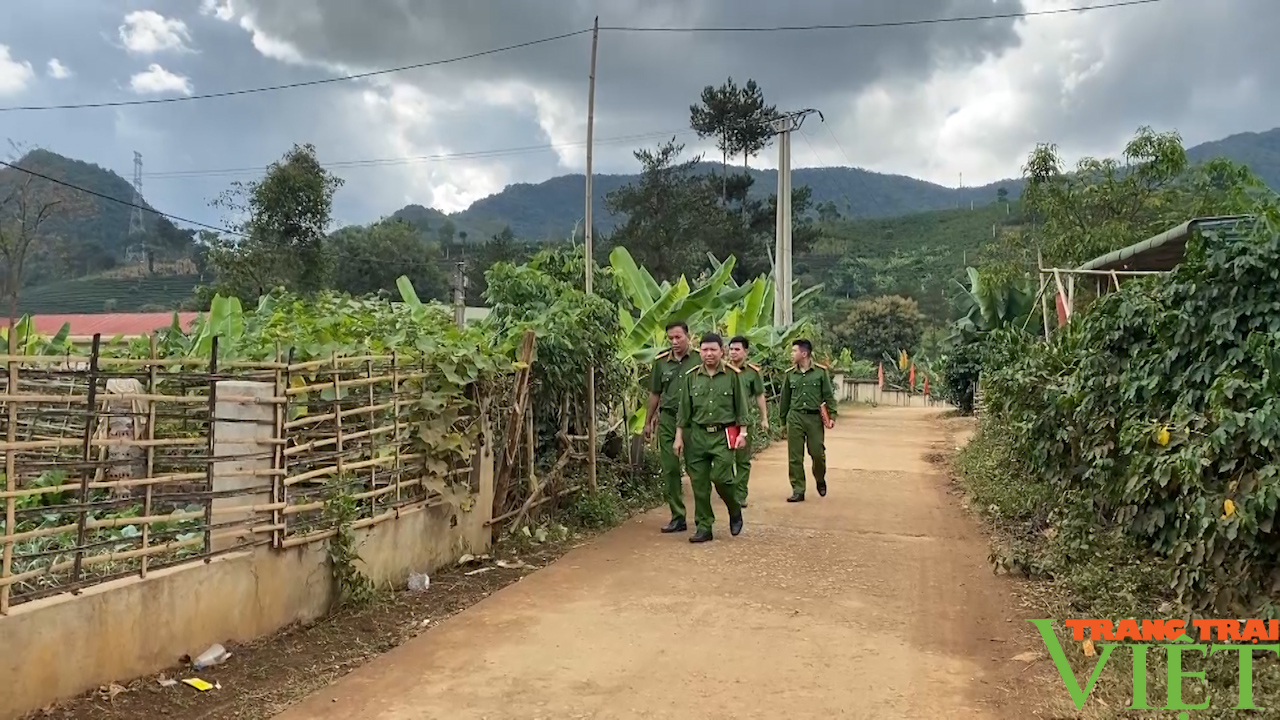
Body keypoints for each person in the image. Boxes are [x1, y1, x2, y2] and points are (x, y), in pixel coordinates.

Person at [674, 333, 746, 543]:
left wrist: (743, 433)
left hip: (723, 436)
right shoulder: (692, 377)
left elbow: (741, 407)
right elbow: (684, 412)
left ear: (721, 351)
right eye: (704, 350)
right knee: (699, 484)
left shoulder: (732, 375)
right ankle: (704, 526)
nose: (708, 354)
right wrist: (679, 437)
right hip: (697, 436)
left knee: (722, 477)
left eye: (713, 349)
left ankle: (734, 508)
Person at [644, 320, 699, 533]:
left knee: (696, 468)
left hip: (693, 421)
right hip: (667, 419)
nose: (675, 342)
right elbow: (655, 393)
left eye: (678, 337)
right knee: (670, 468)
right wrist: (647, 422)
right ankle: (678, 516)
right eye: (671, 338)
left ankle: (703, 518)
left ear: (688, 336)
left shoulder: (698, 359)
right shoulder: (661, 362)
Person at [779, 338, 837, 502]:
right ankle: (798, 489)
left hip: (814, 418)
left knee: (817, 453)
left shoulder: (820, 372)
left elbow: (828, 395)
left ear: (804, 353)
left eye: (794, 351)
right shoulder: (790, 374)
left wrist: (832, 416)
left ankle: (820, 478)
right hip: (795, 416)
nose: (792, 354)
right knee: (795, 456)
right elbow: (784, 399)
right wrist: (783, 422)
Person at [727, 335, 768, 508]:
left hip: (744, 421)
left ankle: (740, 494)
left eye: (737, 349)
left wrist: (764, 417)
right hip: (725, 421)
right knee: (724, 459)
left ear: (746, 351)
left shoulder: (752, 372)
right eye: (731, 349)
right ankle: (728, 490)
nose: (733, 353)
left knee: (742, 459)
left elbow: (759, 395)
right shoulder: (722, 369)